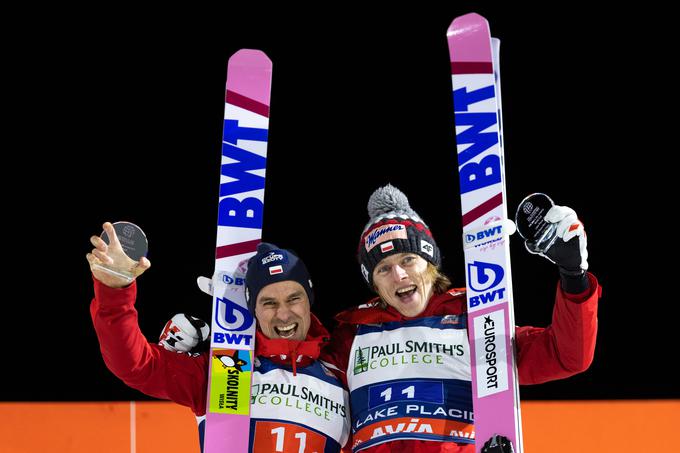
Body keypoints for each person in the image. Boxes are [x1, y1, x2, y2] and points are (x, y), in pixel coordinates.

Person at [320, 185, 600, 453]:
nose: (399, 275)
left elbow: (566, 356)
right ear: (375, 284)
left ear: (429, 263)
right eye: (383, 269)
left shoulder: (475, 317)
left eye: (408, 260)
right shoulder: (352, 335)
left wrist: (573, 275)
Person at [87, 223, 350, 452]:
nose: (283, 314)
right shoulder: (228, 368)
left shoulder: (341, 374)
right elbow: (136, 364)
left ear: (309, 299)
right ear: (253, 309)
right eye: (269, 303)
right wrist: (114, 290)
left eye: (294, 299)